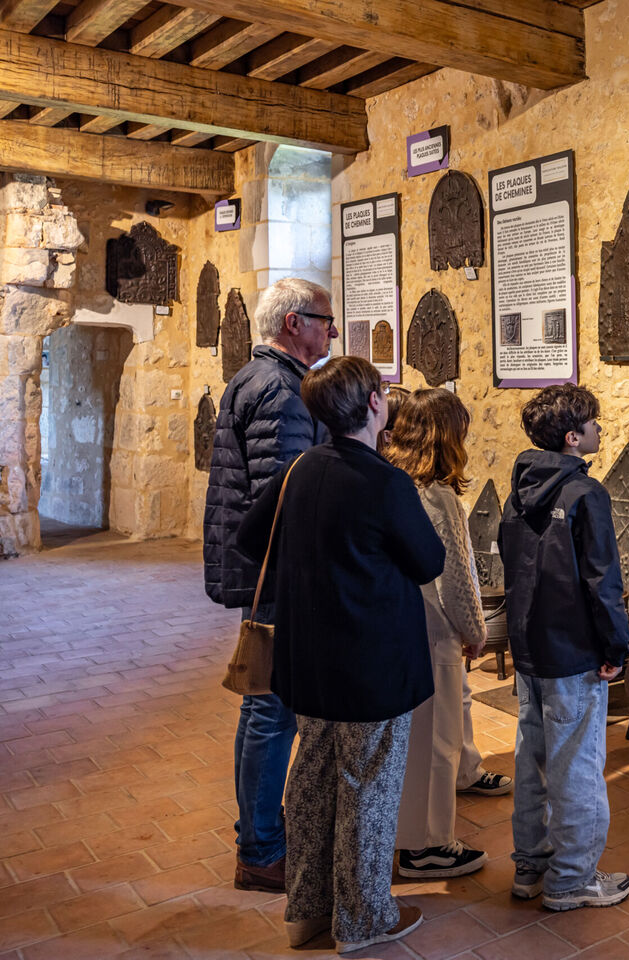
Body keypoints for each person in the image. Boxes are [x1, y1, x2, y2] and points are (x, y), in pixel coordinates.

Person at [202, 277, 337, 893]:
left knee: (264, 706)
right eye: (324, 321)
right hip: (282, 575)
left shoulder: (260, 379)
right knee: (271, 711)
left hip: (271, 571)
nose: (331, 332)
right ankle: (259, 849)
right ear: (293, 323)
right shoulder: (281, 391)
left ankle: (259, 835)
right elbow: (283, 498)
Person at [499, 383, 629, 912]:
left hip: (529, 649)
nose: (600, 429)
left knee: (532, 760)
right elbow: (602, 582)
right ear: (573, 437)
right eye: (594, 422)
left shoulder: (517, 493)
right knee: (576, 764)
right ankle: (572, 879)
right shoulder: (585, 494)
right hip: (573, 652)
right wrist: (616, 647)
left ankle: (531, 865)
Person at [386, 389, 513, 879]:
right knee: (436, 738)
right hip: (433, 627)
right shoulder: (438, 498)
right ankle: (428, 845)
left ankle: (455, 786)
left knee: (431, 726)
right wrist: (475, 630)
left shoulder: (393, 483)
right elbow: (456, 578)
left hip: (399, 624)